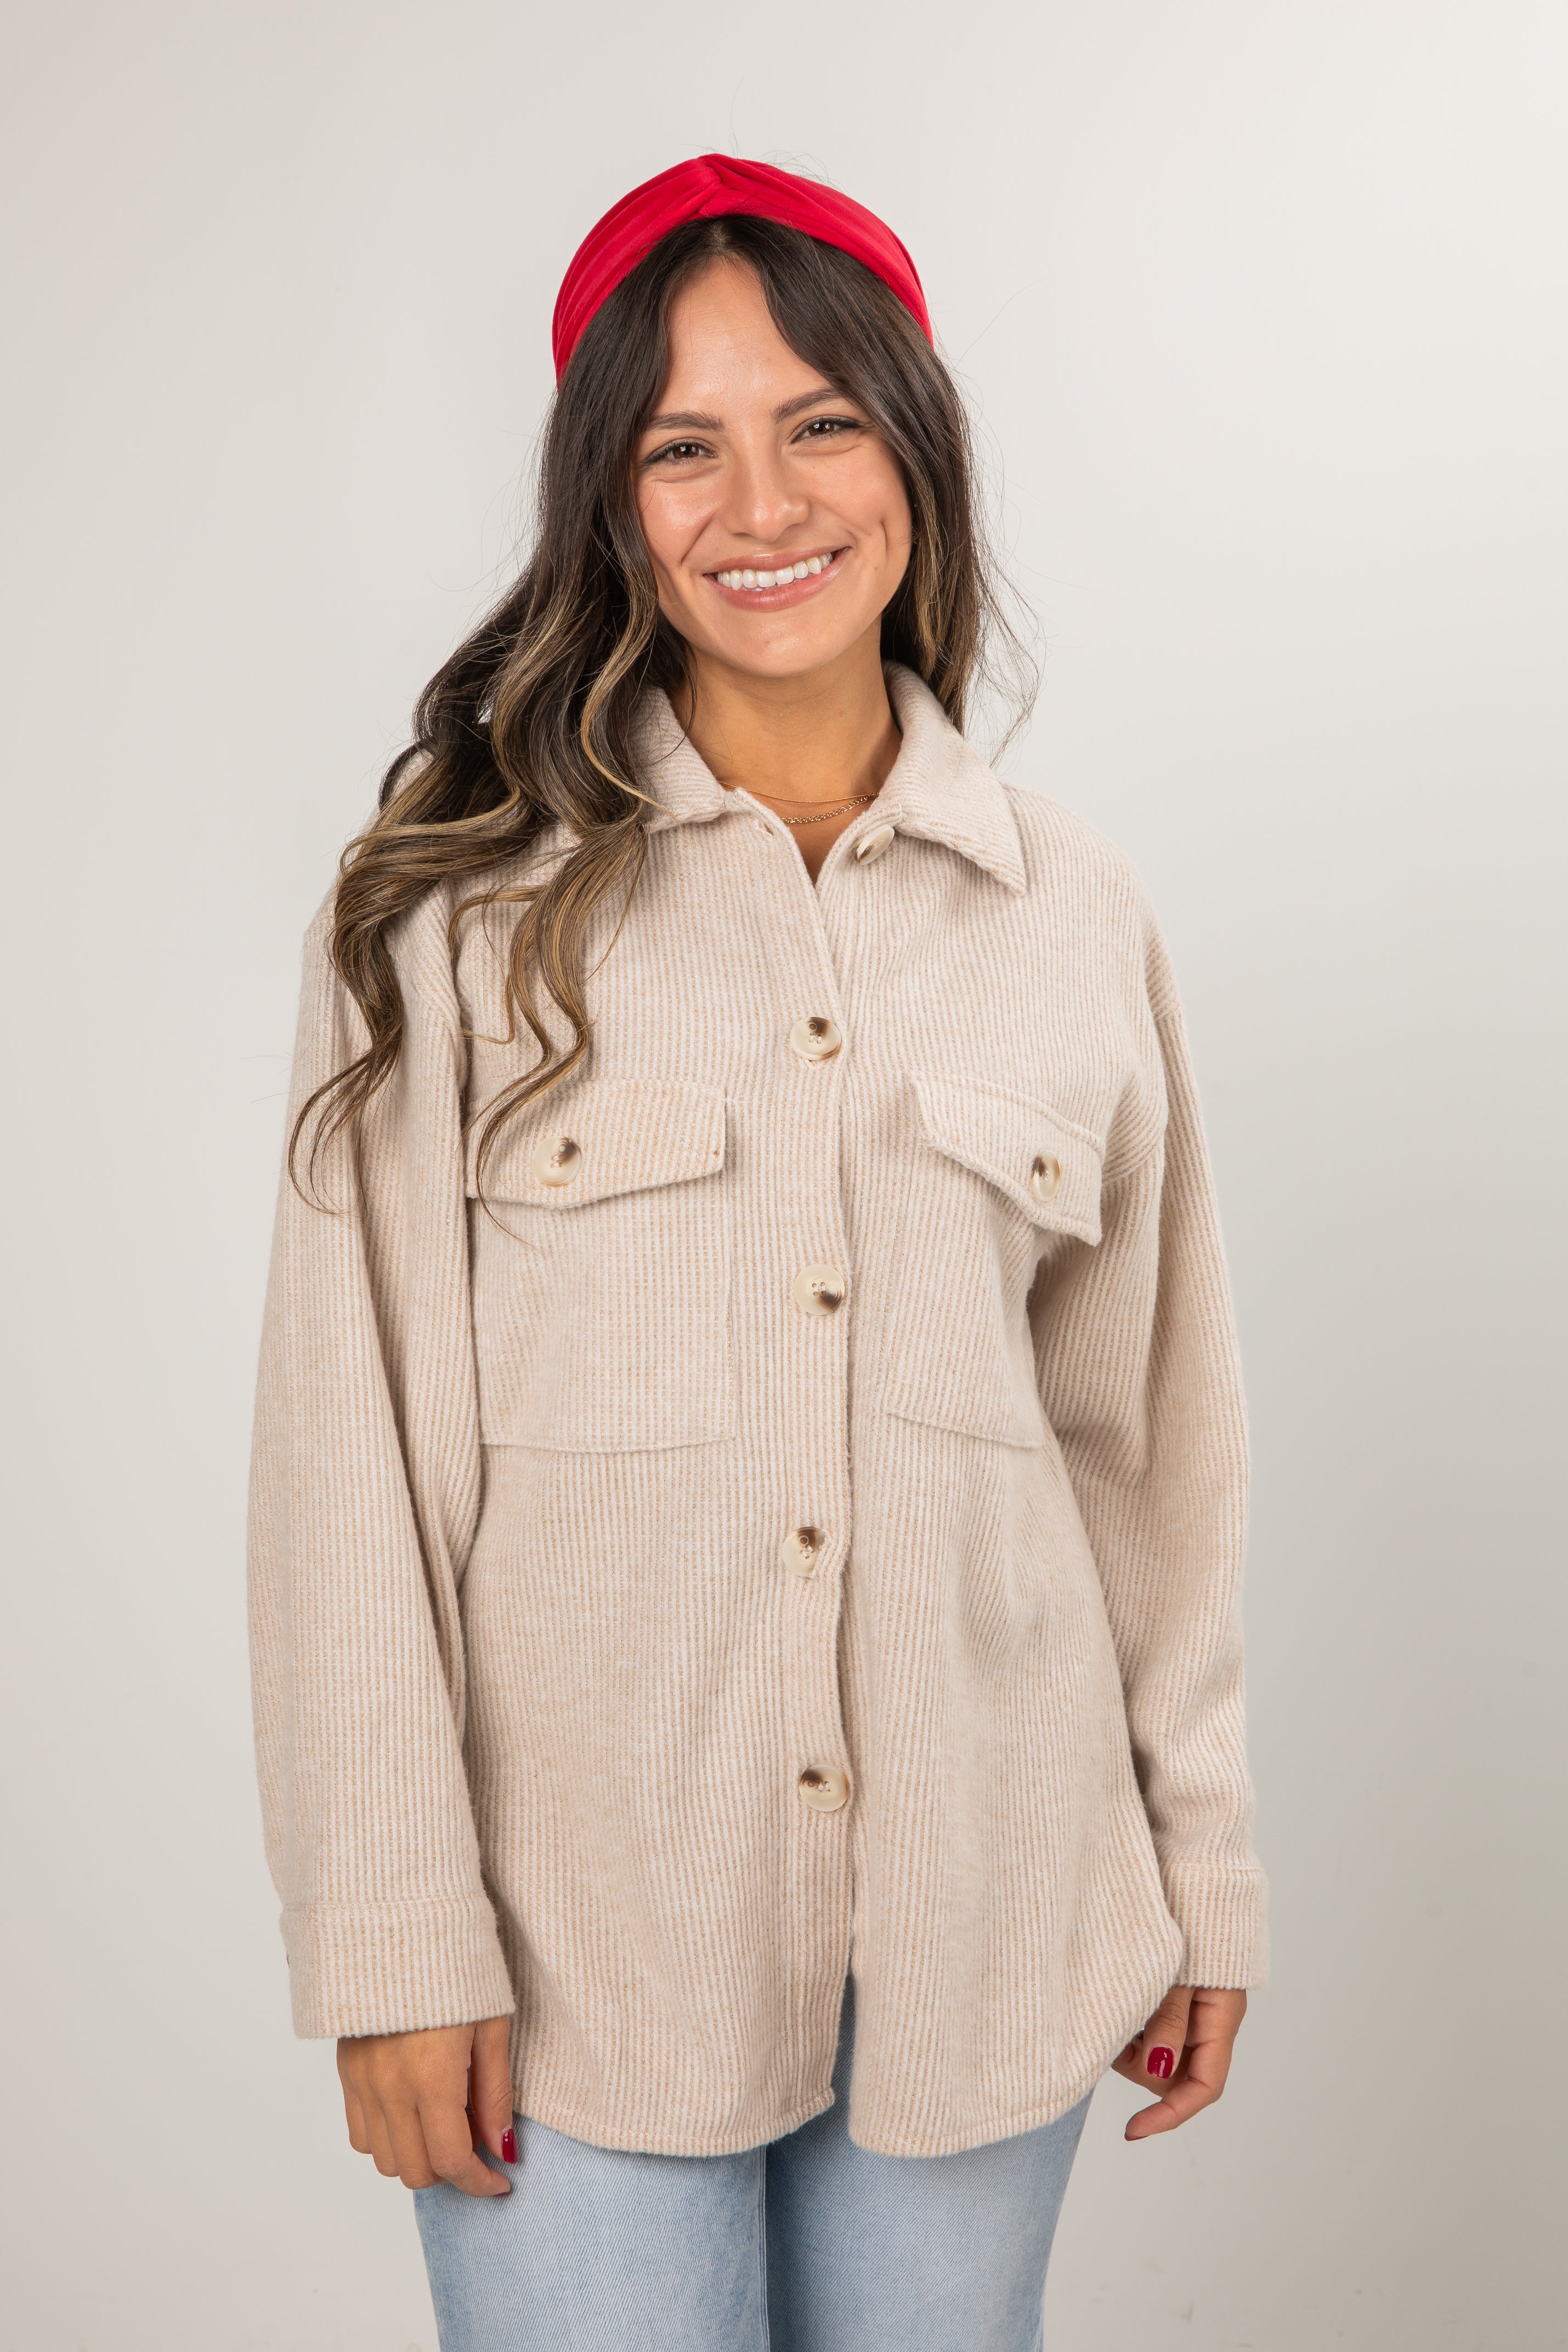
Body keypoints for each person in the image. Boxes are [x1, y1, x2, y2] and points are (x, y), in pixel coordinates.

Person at [247, 154, 1269, 2352]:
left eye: (819, 420)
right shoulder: (444, 912)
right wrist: (392, 1940)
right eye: (676, 443)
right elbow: (356, 1468)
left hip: (994, 1920)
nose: (758, 497)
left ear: (913, 447)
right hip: (577, 1943)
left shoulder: (1070, 914)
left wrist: (1199, 1867)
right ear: (604, 503)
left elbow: (1145, 1452)